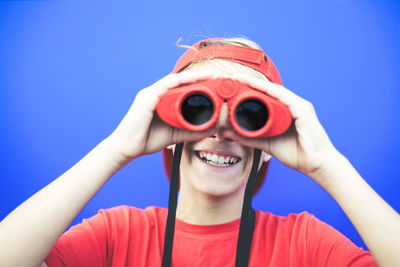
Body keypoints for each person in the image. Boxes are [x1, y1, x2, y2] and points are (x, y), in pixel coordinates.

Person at [0, 37, 399, 267]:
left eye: (250, 114)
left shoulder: (305, 245)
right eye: (198, 110)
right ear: (171, 130)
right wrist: (116, 148)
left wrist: (329, 165)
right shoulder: (117, 235)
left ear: (268, 146)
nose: (221, 131)